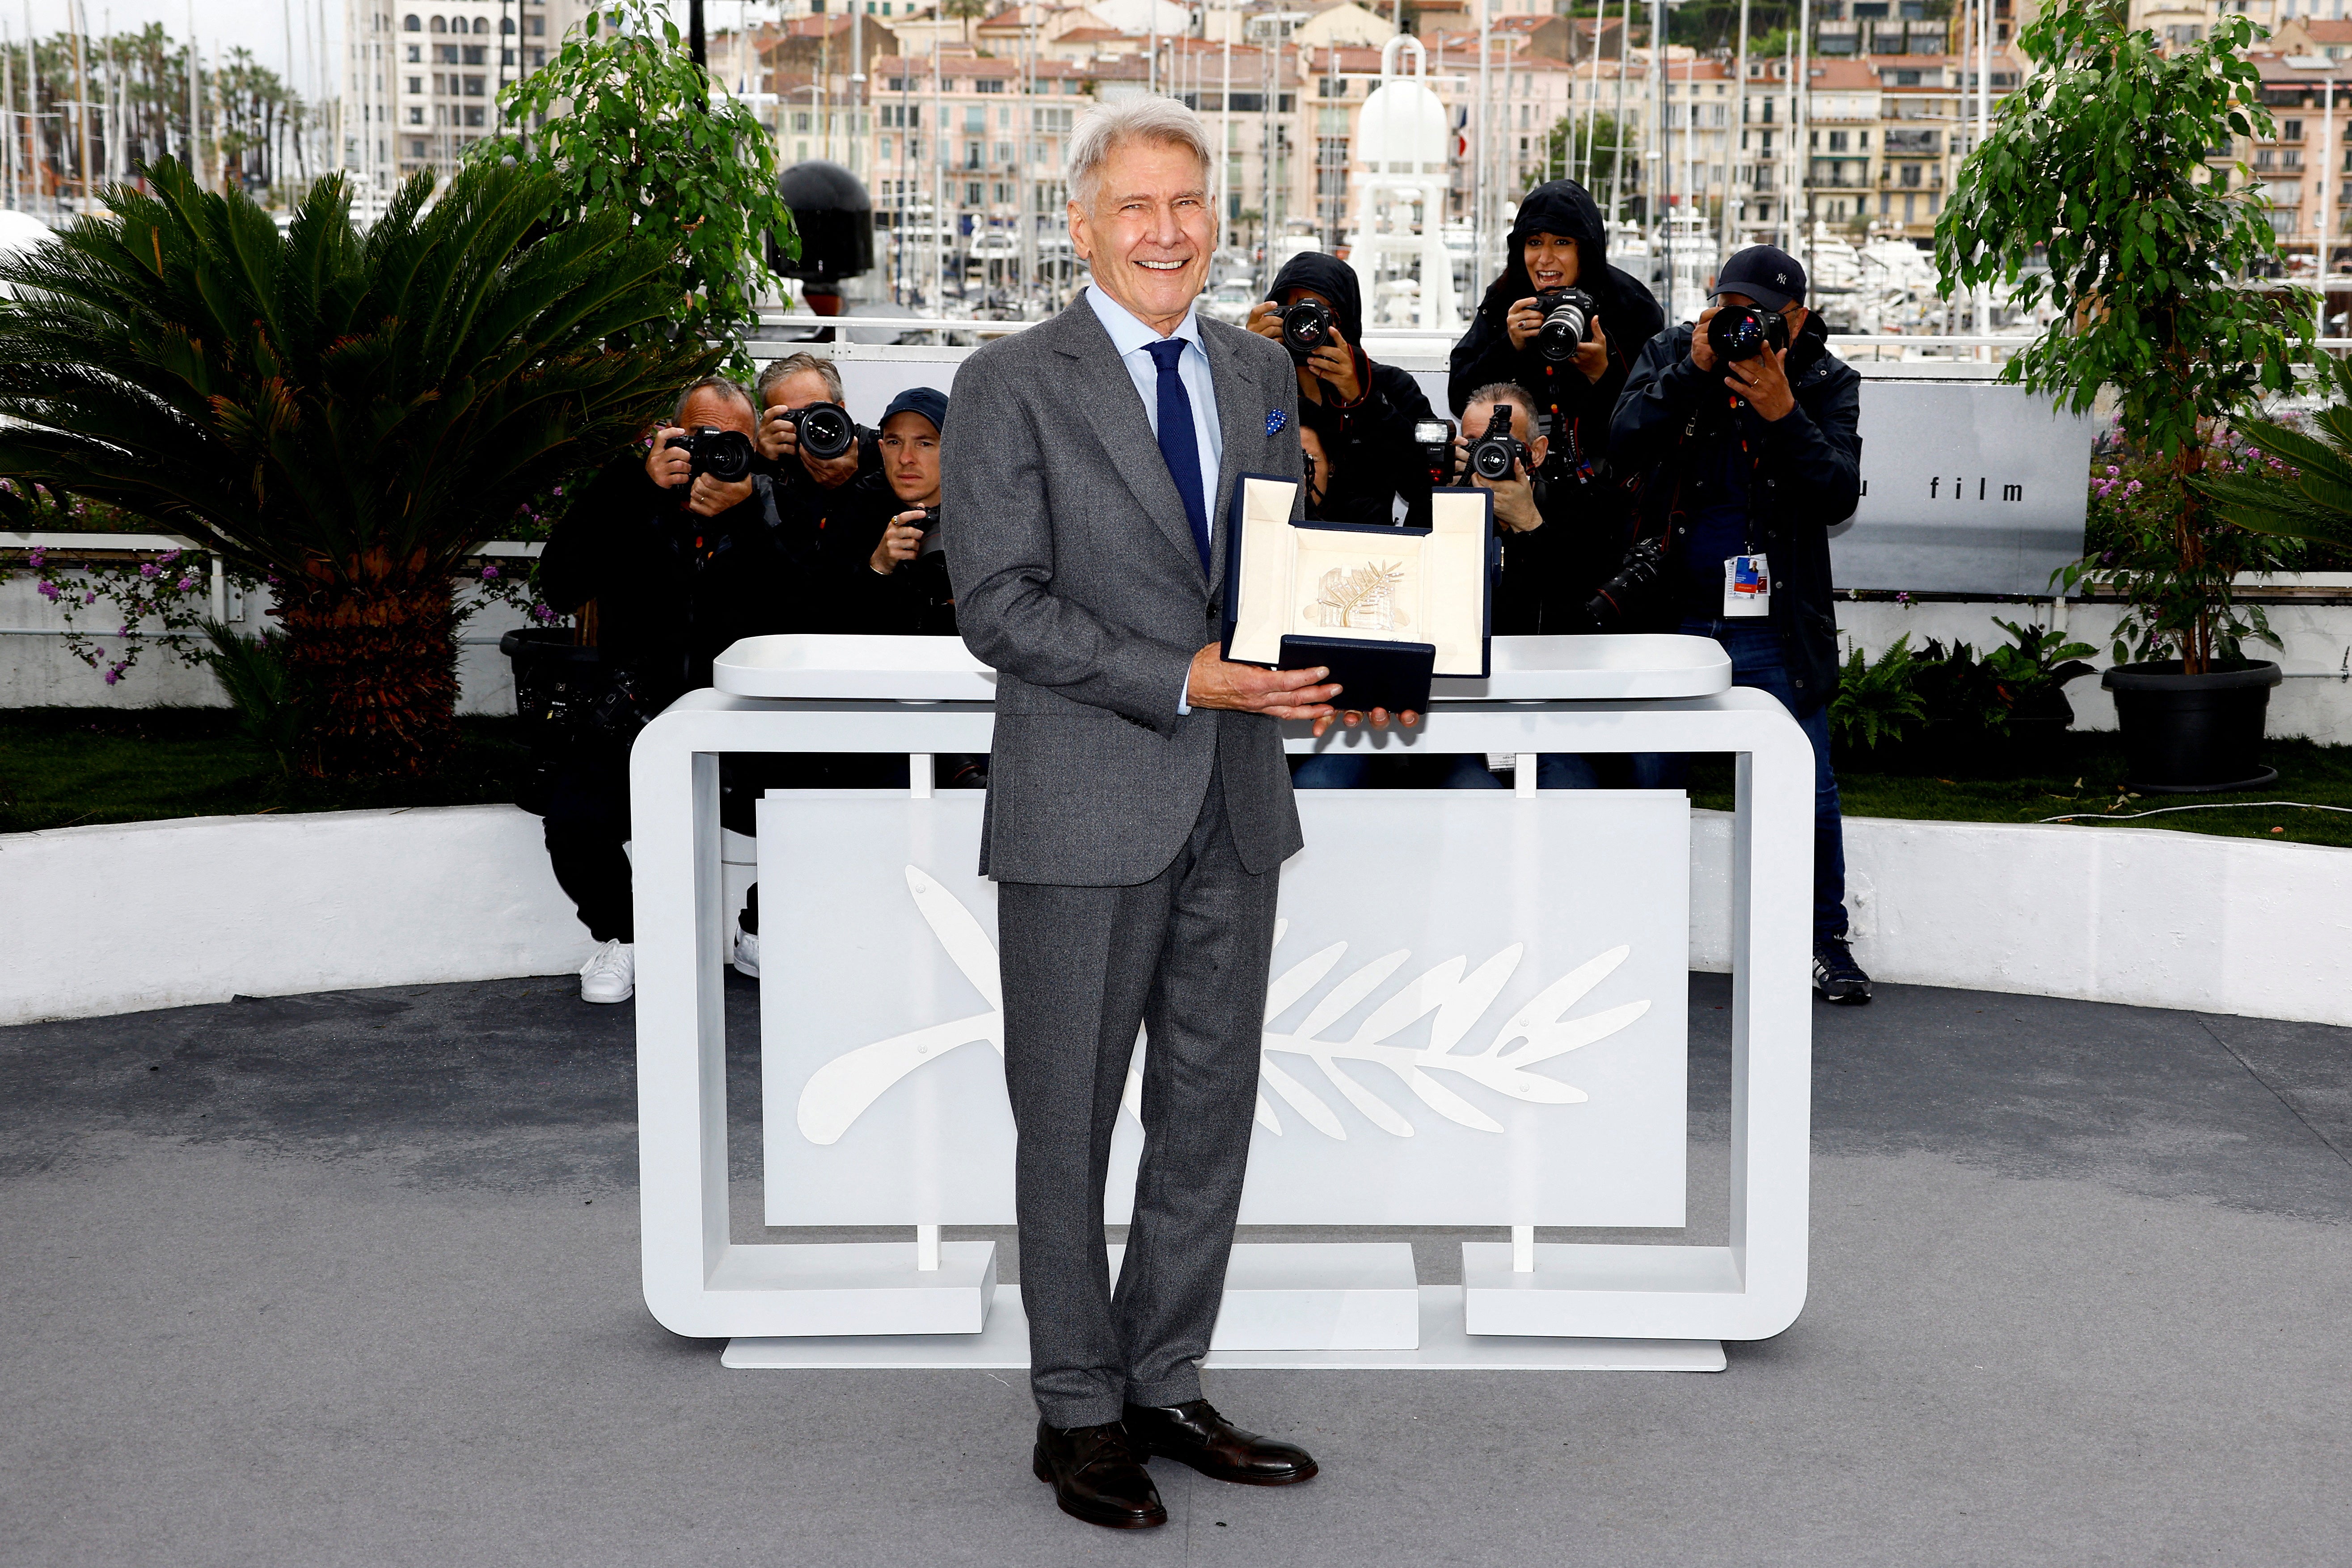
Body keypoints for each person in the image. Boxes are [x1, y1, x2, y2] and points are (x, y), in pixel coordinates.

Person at [943, 96, 1409, 1533]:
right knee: (1067, 1119)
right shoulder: (1007, 382)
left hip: (1239, 799)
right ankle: (1074, 1408)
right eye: (1134, 207)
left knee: (1206, 1111)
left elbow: (1276, 577)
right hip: (1084, 795)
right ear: (1079, 225)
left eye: (1187, 204)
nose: (1165, 231)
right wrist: (1182, 675)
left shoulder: (1257, 366)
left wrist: (1360, 664)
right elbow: (996, 605)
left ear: (1214, 218)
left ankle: (1163, 1378)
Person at [1609, 244, 1873, 1005]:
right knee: (1650, 785)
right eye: (1730, 308)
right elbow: (1623, 444)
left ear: (1796, 317)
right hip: (1675, 616)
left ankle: (1824, 942)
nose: (1743, 326)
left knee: (1810, 788)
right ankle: (1631, 938)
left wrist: (1782, 410)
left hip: (1774, 622)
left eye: (1759, 314)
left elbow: (1836, 494)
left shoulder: (1826, 380)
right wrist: (1690, 372)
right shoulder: (1671, 352)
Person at [536, 375, 808, 1004]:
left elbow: (803, 603)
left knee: (828, 803)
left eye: (731, 440)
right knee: (574, 820)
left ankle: (759, 928)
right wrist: (636, 486)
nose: (714, 453)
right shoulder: (632, 492)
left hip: (751, 714)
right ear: (671, 433)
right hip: (639, 710)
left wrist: (745, 511)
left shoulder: (771, 498)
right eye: (700, 436)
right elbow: (559, 585)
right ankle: (630, 936)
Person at [1447, 177, 1663, 513]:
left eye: (1561, 242)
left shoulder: (1629, 307)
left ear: (1585, 250)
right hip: (1516, 476)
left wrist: (1602, 376)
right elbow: (1459, 397)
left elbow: (1653, 425)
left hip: (1606, 486)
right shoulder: (1507, 297)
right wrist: (1509, 346)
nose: (1544, 259)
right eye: (1534, 243)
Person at [1247, 250, 1435, 528]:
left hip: (1368, 546)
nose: (1308, 327)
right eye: (1296, 312)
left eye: (1320, 315)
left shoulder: (1389, 386)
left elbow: (1425, 488)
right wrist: (1246, 363)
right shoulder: (1257, 379)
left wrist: (1364, 400)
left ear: (1344, 320)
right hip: (1272, 539)